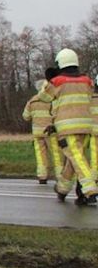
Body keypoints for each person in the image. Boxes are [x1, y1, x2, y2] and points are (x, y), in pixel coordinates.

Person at [42, 49, 98, 205]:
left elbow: (44, 97)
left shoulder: (57, 81)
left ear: (60, 62)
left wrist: (50, 79)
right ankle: (62, 189)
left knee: (77, 158)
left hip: (67, 129)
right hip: (86, 126)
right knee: (73, 159)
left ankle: (90, 191)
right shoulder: (87, 81)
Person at [22, 80, 59, 184]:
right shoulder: (52, 99)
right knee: (56, 154)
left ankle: (42, 176)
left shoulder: (32, 101)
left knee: (40, 155)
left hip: (37, 132)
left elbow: (26, 116)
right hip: (50, 131)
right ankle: (60, 175)